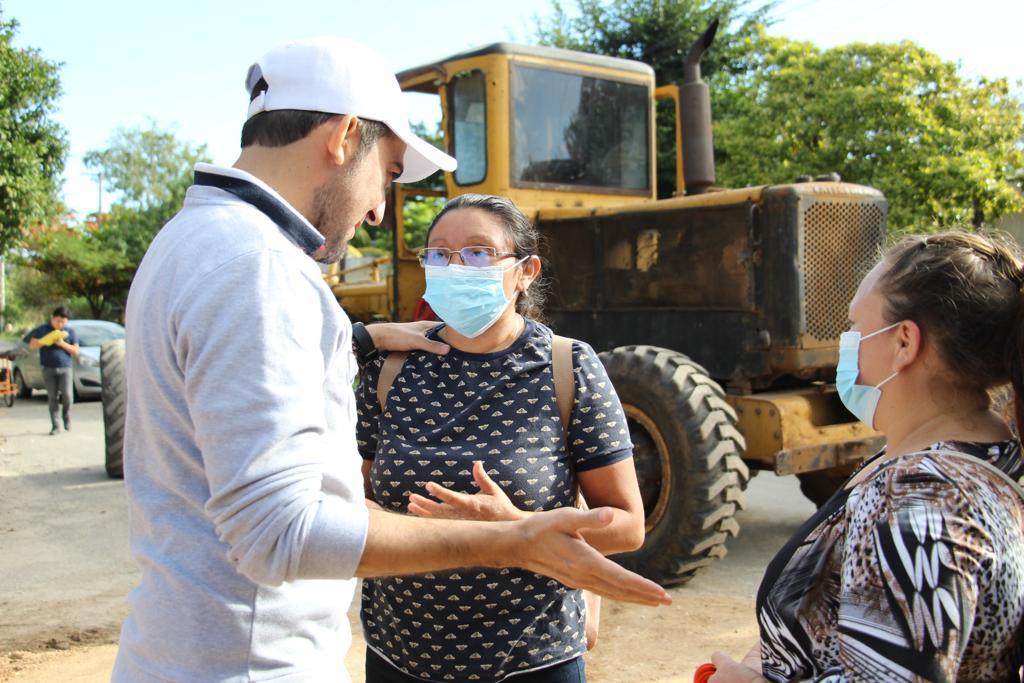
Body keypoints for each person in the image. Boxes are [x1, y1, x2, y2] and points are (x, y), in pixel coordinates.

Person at [112, 37, 668, 683]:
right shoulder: (260, 268)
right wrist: (513, 540)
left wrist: (360, 335)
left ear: (525, 272)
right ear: (346, 136)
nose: (379, 208)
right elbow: (279, 531)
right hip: (250, 662)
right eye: (391, 172)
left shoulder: (191, 240)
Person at [707, 230, 1024, 683]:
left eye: (856, 327)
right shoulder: (989, 458)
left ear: (904, 343)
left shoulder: (919, 498)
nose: (848, 341)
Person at [356, 194, 645, 683]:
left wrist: (517, 526)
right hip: (398, 655)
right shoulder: (389, 370)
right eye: (440, 254)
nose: (455, 267)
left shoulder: (566, 366)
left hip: (532, 659)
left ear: (525, 271)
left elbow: (626, 525)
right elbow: (351, 500)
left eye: (476, 253)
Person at [27, 306, 79, 435]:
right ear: (52, 318)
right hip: (48, 368)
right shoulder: (42, 329)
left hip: (65, 367)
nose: (60, 324)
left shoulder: (70, 332)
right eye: (58, 321)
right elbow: (32, 345)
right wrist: (46, 341)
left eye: (63, 322)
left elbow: (76, 351)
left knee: (67, 396)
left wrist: (62, 344)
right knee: (52, 397)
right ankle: (55, 426)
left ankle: (66, 416)